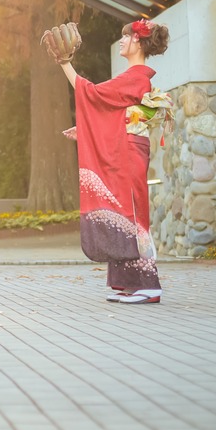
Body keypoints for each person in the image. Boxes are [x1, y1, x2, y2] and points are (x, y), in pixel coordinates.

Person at [57, 18, 170, 305]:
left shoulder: (136, 77)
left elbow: (92, 95)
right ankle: (126, 283)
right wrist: (85, 130)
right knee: (121, 210)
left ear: (139, 42)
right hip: (127, 147)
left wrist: (64, 63)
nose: (122, 41)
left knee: (132, 211)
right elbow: (110, 112)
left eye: (126, 37)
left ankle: (149, 285)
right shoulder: (133, 76)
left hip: (129, 151)